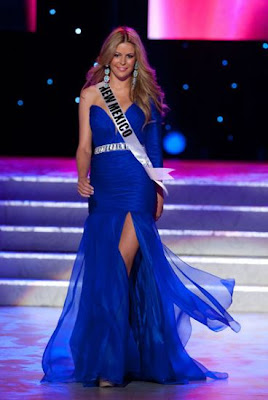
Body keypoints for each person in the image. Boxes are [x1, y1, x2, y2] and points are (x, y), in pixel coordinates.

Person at [40, 26, 241, 388]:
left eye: (128, 56)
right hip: (104, 188)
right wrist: (80, 174)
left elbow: (154, 152)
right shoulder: (91, 95)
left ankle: (109, 365)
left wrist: (159, 192)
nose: (121, 61)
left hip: (136, 187)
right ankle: (113, 354)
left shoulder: (146, 96)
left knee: (119, 264)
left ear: (136, 61)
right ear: (106, 58)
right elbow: (84, 145)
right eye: (116, 55)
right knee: (106, 272)